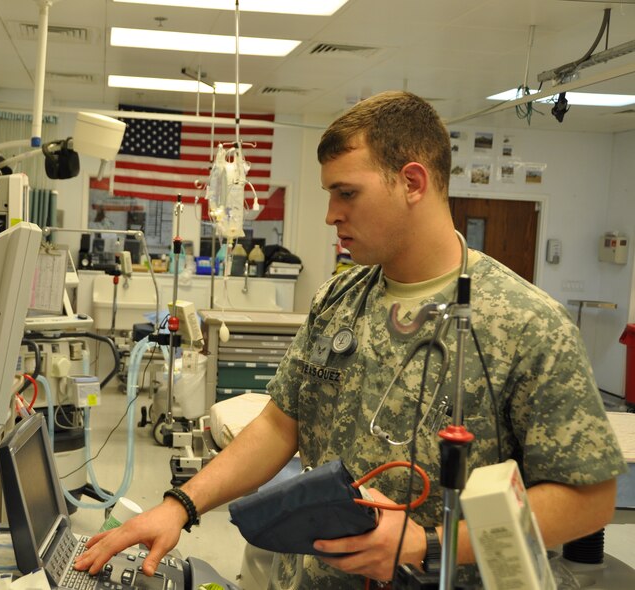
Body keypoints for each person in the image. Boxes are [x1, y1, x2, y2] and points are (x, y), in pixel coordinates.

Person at [73, 91, 627, 588]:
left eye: (347, 193)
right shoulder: (339, 300)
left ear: (412, 182)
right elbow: (278, 423)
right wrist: (180, 506)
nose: (331, 215)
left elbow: (588, 497)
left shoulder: (526, 324)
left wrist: (428, 543)